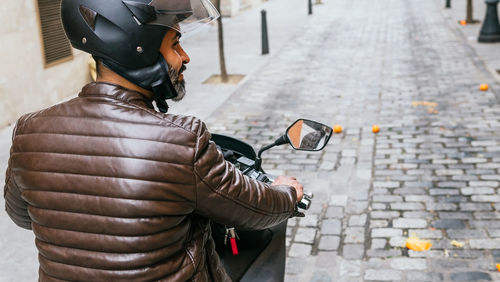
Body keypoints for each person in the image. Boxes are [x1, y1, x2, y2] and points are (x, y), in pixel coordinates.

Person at [3, 0, 304, 281]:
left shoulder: (29, 130)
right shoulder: (181, 141)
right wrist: (287, 192)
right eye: (175, 44)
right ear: (139, 49)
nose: (185, 57)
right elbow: (255, 208)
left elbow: (20, 215)